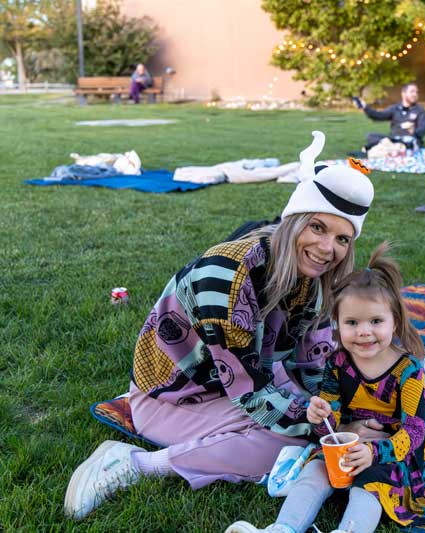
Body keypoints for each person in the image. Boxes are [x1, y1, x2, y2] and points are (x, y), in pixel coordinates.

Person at [63, 131, 380, 521]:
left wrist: (344, 409)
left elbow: (313, 363)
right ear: (293, 219)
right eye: (317, 227)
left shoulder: (312, 277)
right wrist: (321, 423)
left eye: (343, 238)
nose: (328, 248)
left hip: (241, 379)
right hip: (174, 397)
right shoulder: (227, 276)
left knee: (320, 421)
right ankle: (132, 464)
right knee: (283, 443)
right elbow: (250, 394)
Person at [226, 243, 425, 533]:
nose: (363, 331)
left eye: (375, 321)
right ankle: (281, 528)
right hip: (345, 448)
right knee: (313, 472)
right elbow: (329, 425)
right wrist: (320, 416)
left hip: (392, 455)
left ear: (394, 322)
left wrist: (375, 452)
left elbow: (414, 431)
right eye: (352, 322)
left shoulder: (408, 370)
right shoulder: (337, 363)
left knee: (369, 485)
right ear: (337, 325)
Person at [355, 83, 425, 151]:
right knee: (371, 136)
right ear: (403, 94)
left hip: (410, 139)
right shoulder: (395, 108)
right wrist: (365, 107)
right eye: (412, 92)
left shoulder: (420, 110)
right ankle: (394, 146)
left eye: (416, 92)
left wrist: (414, 131)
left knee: (408, 142)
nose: (415, 94)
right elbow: (379, 116)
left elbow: (423, 130)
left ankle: (391, 146)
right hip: (394, 139)